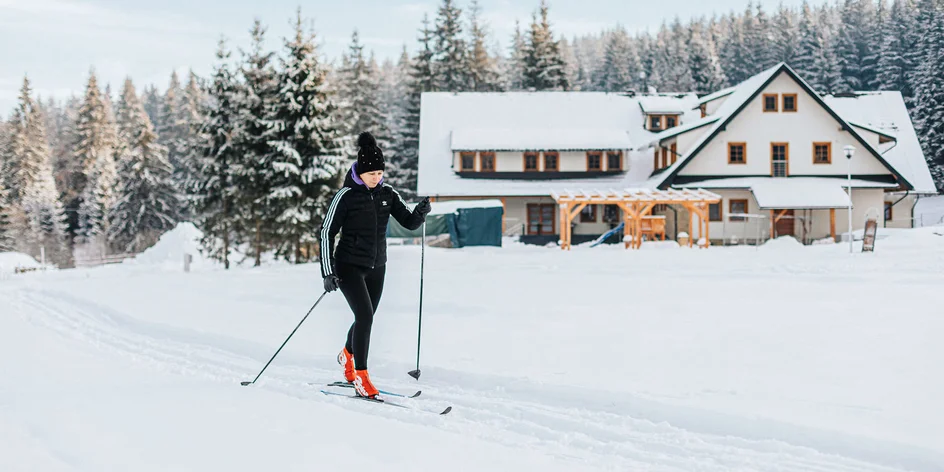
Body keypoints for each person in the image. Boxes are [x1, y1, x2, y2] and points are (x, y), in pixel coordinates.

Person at [319, 131, 431, 399]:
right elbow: (325, 233)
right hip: (348, 266)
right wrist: (327, 272)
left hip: (377, 265)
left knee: (365, 317)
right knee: (365, 316)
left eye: (380, 174)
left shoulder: (387, 194)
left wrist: (420, 212)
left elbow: (409, 223)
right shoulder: (345, 196)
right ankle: (361, 375)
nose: (376, 178)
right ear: (361, 170)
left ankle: (347, 355)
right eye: (372, 174)